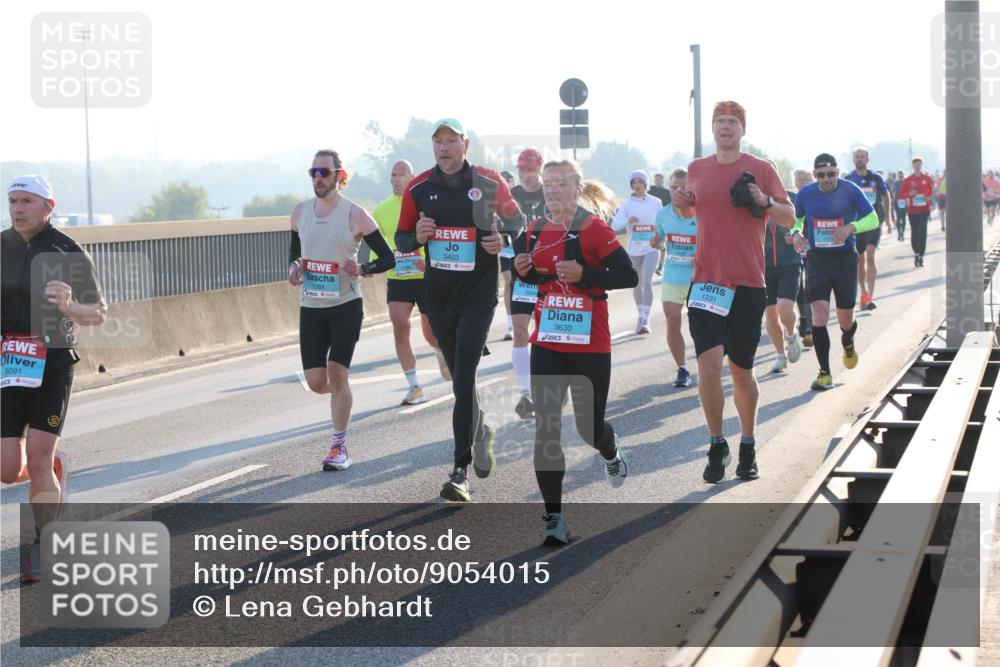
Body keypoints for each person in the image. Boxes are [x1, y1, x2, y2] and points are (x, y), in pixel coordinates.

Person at [396, 118, 524, 502]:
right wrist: (416, 237)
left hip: (478, 295)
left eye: (451, 140)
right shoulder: (418, 188)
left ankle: (458, 472)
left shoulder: (488, 182)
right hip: (439, 297)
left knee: (465, 373)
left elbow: (517, 222)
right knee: (459, 380)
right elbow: (402, 238)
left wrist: (503, 239)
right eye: (438, 142)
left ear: (465, 144)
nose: (444, 148)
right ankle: (481, 430)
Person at [512, 159, 638, 545]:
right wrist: (521, 268)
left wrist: (586, 275)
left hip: (590, 344)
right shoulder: (534, 230)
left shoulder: (594, 229)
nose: (552, 190)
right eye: (548, 184)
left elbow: (628, 275)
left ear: (576, 188)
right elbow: (528, 277)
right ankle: (554, 519)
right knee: (547, 428)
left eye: (561, 184)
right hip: (548, 342)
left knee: (589, 428)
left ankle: (610, 451)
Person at [674, 101, 795, 484]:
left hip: (748, 284)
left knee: (741, 373)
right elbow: (691, 212)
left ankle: (747, 443)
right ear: (713, 128)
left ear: (742, 130)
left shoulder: (761, 168)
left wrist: (764, 201)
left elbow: (788, 216)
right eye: (720, 121)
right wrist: (681, 204)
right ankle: (716, 443)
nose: (725, 127)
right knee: (708, 367)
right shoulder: (697, 168)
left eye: (732, 122)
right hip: (706, 283)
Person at [2, 175, 108, 583]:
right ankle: (54, 469)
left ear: (49, 206)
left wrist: (69, 306)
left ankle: (44, 544)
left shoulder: (68, 250)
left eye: (26, 201)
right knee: (8, 470)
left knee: (39, 456)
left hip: (54, 360)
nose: (17, 208)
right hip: (9, 361)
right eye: (12, 201)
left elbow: (98, 313)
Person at [289, 150, 396, 471]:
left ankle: (339, 447)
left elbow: (388, 258)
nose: (318, 178)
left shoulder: (356, 215)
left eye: (324, 172)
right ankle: (341, 392)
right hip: (311, 305)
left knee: (336, 372)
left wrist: (362, 268)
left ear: (340, 175)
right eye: (313, 173)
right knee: (316, 382)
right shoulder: (299, 213)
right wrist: (294, 267)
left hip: (346, 305)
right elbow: (296, 253)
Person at [791, 153, 879, 391]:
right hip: (817, 260)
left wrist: (852, 227)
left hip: (844, 261)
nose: (826, 179)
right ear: (814, 174)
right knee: (819, 314)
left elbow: (873, 219)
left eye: (831, 174)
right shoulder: (806, 194)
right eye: (821, 175)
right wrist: (796, 234)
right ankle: (824, 373)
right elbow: (796, 220)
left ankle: (848, 341)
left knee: (845, 319)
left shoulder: (850, 190)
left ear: (838, 172)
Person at [372, 159, 450, 406]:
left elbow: (439, 238)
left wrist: (430, 263)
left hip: (425, 276)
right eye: (393, 175)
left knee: (431, 334)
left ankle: (442, 352)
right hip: (398, 278)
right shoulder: (380, 210)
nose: (395, 179)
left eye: (401, 174)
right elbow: (379, 245)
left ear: (412, 177)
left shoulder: (423, 205)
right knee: (399, 323)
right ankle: (415, 386)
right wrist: (373, 264)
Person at [507, 148, 546, 419]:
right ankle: (525, 393)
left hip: (549, 274)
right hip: (523, 273)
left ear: (540, 170)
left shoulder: (550, 193)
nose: (526, 175)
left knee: (547, 334)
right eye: (522, 170)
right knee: (520, 331)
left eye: (531, 170)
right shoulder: (511, 197)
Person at [650, 168, 696, 387]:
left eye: (683, 188)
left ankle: (709, 363)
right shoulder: (663, 214)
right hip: (673, 275)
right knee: (672, 319)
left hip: (699, 278)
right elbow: (658, 237)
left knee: (700, 326)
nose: (678, 191)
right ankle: (682, 368)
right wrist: (656, 242)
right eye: (674, 187)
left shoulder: (701, 213)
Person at [611, 170, 662, 334]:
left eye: (640, 182)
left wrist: (661, 237)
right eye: (634, 182)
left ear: (645, 184)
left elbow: (662, 222)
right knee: (637, 283)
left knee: (647, 281)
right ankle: (640, 315)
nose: (637, 185)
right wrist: (628, 220)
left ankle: (645, 319)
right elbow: (614, 225)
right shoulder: (627, 204)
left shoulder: (656, 202)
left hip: (651, 247)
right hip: (634, 248)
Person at [844, 147, 891, 311]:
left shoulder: (876, 177)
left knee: (871, 254)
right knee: (861, 259)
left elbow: (886, 195)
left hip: (874, 221)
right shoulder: (849, 179)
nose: (860, 159)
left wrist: (888, 218)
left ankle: (870, 296)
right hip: (857, 224)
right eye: (857, 156)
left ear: (867, 159)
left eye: (862, 156)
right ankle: (863, 293)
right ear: (853, 159)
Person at [763, 191, 803, 373]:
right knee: (770, 313)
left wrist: (797, 234)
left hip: (789, 263)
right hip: (764, 265)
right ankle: (780, 355)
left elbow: (804, 222)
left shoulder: (791, 198)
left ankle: (791, 334)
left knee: (784, 308)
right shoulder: (753, 202)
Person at [791, 169, 815, 348]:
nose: (801, 184)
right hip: (796, 247)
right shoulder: (791, 199)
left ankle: (809, 328)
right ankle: (804, 318)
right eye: (798, 182)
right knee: (798, 287)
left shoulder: (815, 198)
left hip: (814, 247)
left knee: (810, 286)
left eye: (804, 181)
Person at [898, 157, 934, 267]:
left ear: (922, 165)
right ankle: (916, 252)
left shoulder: (927, 179)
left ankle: (921, 255)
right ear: (913, 166)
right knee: (915, 232)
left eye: (919, 164)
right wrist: (909, 193)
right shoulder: (908, 180)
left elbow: (932, 190)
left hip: (924, 209)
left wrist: (929, 196)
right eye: (916, 165)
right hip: (913, 210)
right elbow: (901, 194)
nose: (918, 167)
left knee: (923, 232)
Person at [649, 173, 671, 277]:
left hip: (663, 222)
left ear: (663, 181)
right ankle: (651, 265)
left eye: (660, 180)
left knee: (661, 244)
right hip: (650, 222)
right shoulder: (649, 193)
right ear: (654, 180)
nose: (658, 181)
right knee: (651, 244)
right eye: (657, 179)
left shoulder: (667, 193)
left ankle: (660, 266)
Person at [892, 169, 908, 240]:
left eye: (901, 175)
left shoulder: (906, 182)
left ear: (903, 175)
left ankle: (902, 234)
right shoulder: (895, 183)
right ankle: (899, 234)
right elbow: (893, 192)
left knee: (903, 218)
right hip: (897, 201)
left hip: (904, 201)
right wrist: (892, 201)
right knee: (898, 218)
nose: (900, 176)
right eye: (899, 175)